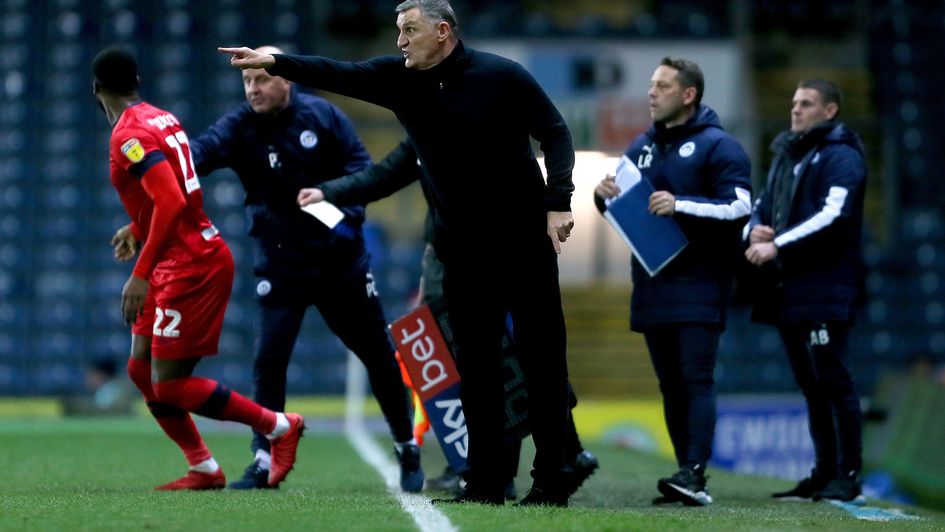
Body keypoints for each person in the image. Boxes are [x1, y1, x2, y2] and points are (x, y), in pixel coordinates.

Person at [221, 0, 576, 506]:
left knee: (543, 361)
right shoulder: (398, 79)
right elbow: (337, 72)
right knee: (476, 371)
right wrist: (274, 63)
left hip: (523, 243)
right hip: (462, 251)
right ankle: (487, 482)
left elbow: (556, 132)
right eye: (398, 30)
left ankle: (552, 480)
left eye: (410, 30)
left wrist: (558, 202)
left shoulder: (503, 76)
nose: (400, 41)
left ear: (444, 31)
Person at [189, 45, 423, 492]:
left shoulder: (325, 117)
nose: (254, 89)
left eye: (262, 79)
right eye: (248, 82)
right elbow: (200, 153)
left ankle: (405, 446)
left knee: (378, 355)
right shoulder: (239, 127)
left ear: (286, 79)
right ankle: (263, 458)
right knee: (269, 361)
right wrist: (162, 158)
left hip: (340, 262)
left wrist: (336, 202)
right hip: (280, 264)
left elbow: (362, 169)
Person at [311, 139, 600, 499]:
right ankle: (540, 457)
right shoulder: (424, 131)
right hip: (458, 252)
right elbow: (380, 177)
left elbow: (550, 135)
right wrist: (326, 192)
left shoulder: (472, 117)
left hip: (485, 253)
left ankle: (518, 464)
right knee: (495, 359)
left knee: (499, 358)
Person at [92, 47, 304, 490]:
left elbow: (171, 201)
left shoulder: (126, 135)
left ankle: (279, 426)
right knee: (139, 369)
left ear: (97, 90)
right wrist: (137, 225)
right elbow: (174, 195)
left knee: (168, 385)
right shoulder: (160, 117)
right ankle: (204, 467)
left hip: (189, 265)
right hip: (180, 254)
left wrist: (140, 273)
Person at [593, 57, 752, 506]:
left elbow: (740, 208)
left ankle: (696, 473)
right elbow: (624, 206)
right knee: (670, 384)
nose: (651, 92)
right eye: (650, 85)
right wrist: (601, 198)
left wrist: (682, 204)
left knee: (695, 377)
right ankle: (686, 472)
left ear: (689, 95)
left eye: (662, 85)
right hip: (652, 284)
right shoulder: (640, 145)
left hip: (700, 283)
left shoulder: (720, 146)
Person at [745, 79, 867, 503]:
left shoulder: (842, 156)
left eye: (806, 104)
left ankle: (848, 476)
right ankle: (824, 472)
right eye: (794, 102)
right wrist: (753, 230)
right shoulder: (786, 154)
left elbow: (833, 215)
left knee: (834, 381)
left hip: (826, 289)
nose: (795, 110)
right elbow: (762, 206)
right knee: (812, 385)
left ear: (829, 111)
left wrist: (777, 243)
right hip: (789, 291)